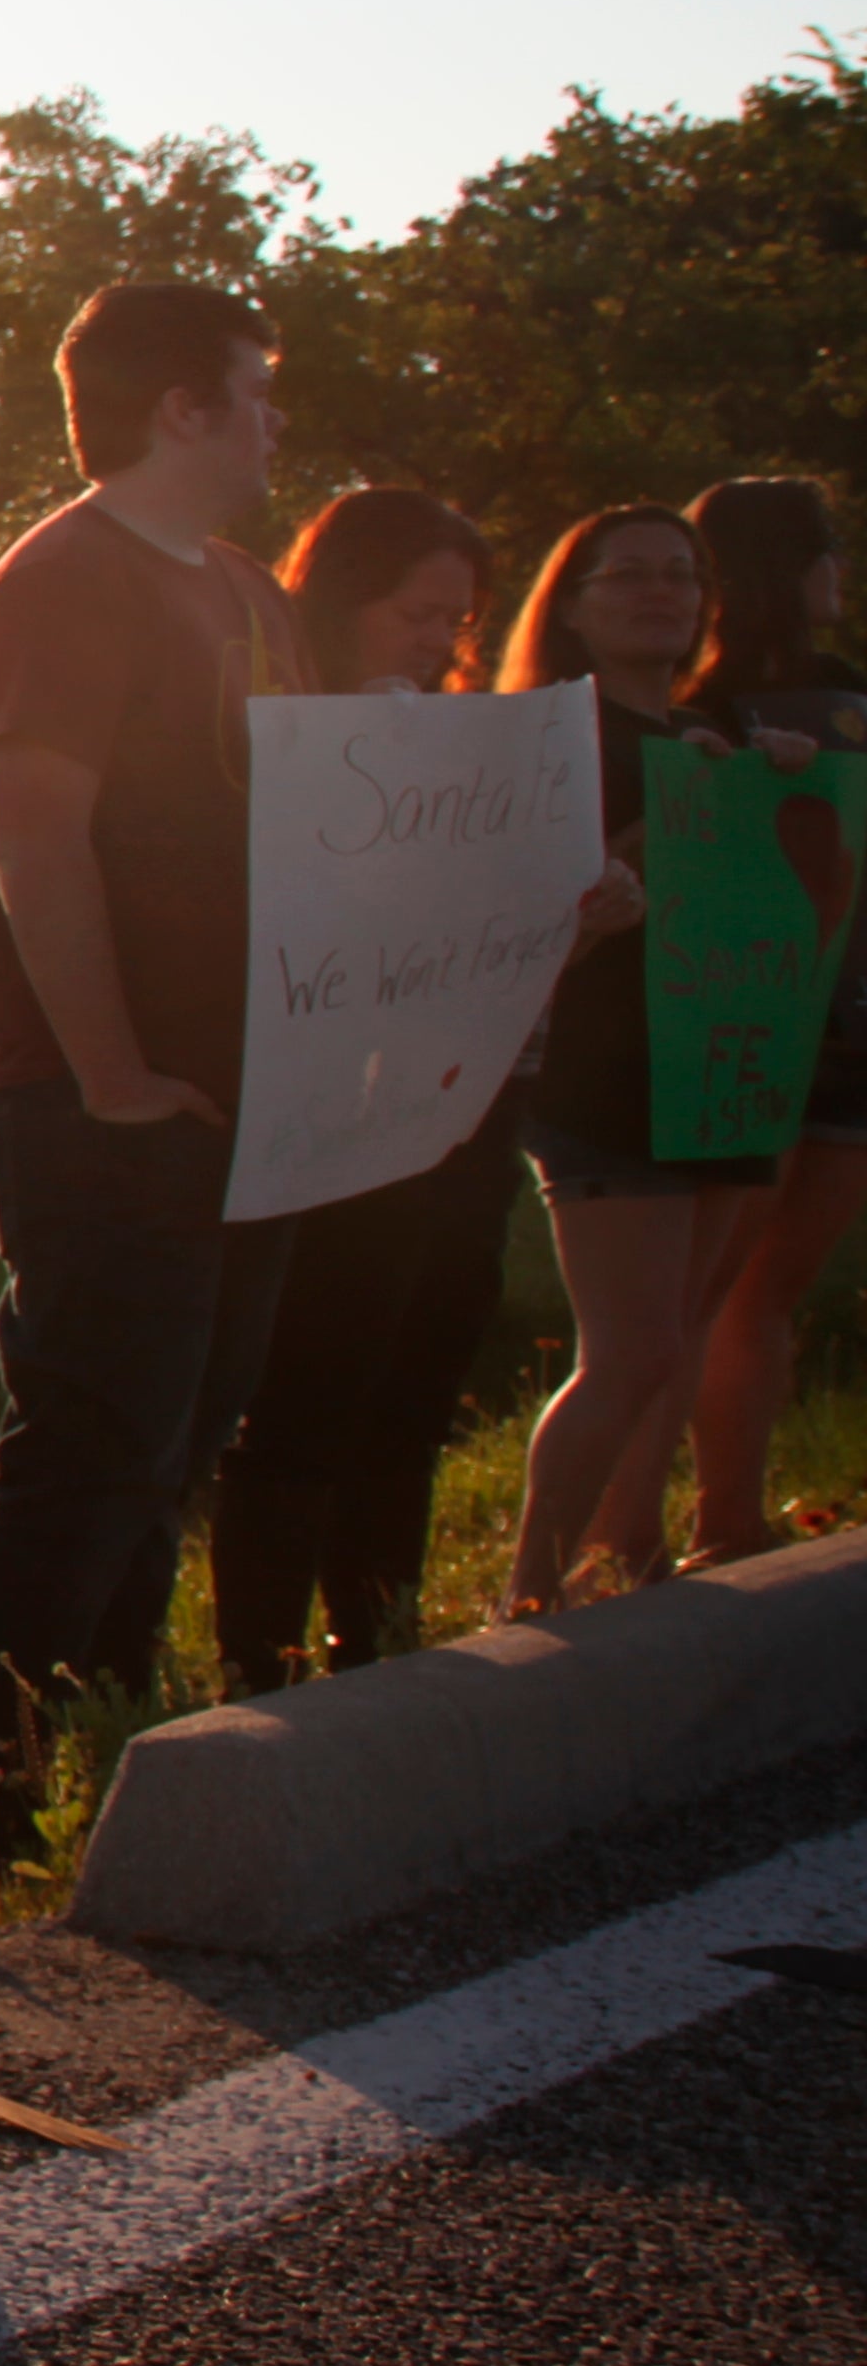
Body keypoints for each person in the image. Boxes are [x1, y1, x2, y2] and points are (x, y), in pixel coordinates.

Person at [0, 280, 306, 1871]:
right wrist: (113, 1074)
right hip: (95, 1087)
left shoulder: (246, 591)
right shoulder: (66, 581)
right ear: (181, 413)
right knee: (94, 1434)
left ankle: (104, 1748)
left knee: (182, 1430)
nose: (280, 420)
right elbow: (35, 833)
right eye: (258, 391)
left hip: (239, 1081)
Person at [199, 487, 519, 1688]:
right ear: (342, 601)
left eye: (459, 620)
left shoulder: (476, 750)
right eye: (416, 613)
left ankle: (377, 1648)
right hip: (331, 1110)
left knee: (418, 1380)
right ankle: (262, 1669)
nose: (440, 641)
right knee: (310, 1389)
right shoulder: (273, 730)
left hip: (461, 1119)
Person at [494, 503, 766, 1615]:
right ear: (571, 601)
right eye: (630, 576)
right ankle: (528, 1593)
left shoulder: (710, 733)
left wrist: (768, 786)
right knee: (632, 1348)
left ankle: (628, 1551)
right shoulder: (550, 739)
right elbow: (530, 908)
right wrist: (683, 813)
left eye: (682, 575)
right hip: (607, 1076)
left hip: (723, 1066)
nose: (663, 593)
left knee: (677, 1339)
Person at [672, 476, 867, 1562]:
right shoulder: (694, 707)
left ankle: (727, 1522)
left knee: (772, 1290)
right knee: (700, 1292)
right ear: (776, 571)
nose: (840, 572)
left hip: (852, 1033)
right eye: (825, 551)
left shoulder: (853, 696)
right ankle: (619, 1534)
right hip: (735, 1034)